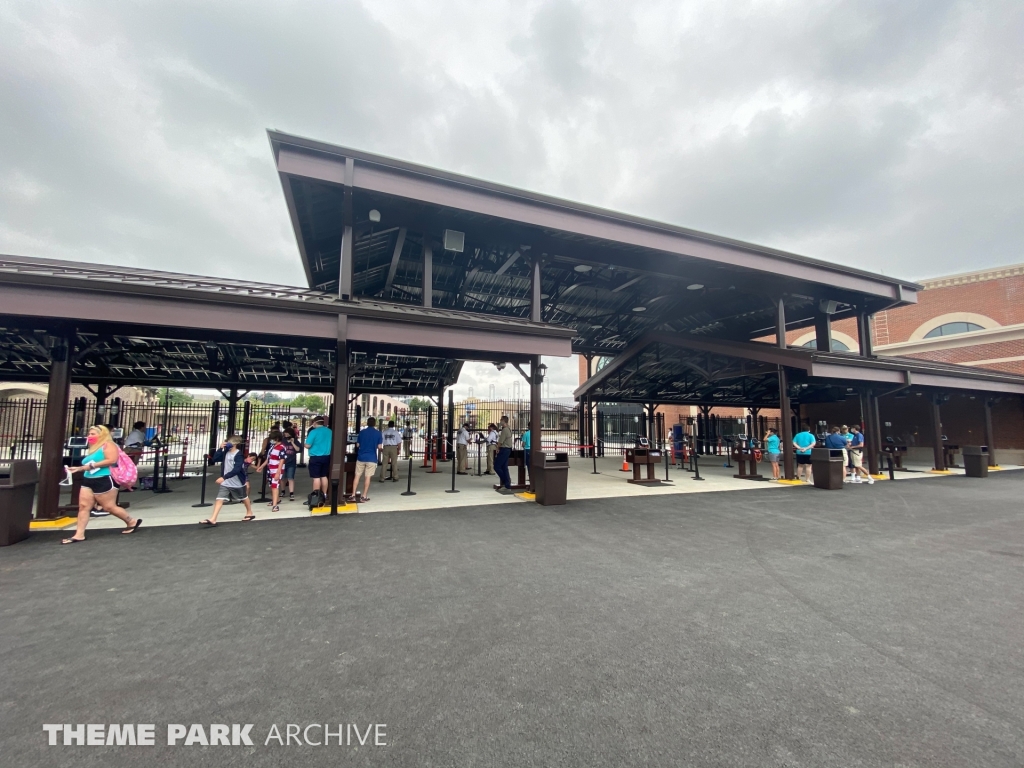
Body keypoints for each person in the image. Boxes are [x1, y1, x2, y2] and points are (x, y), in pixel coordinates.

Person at [60, 425, 142, 544]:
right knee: (84, 506)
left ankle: (131, 521)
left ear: (102, 434)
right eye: (89, 434)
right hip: (88, 479)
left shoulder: (109, 445)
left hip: (104, 479)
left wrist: (89, 466)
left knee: (109, 506)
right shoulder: (93, 448)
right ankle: (79, 534)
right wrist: (79, 469)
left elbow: (111, 460)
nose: (89, 436)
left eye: (93, 434)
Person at [200, 435, 255, 525]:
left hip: (236, 481)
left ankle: (249, 512)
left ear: (236, 444)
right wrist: (220, 449)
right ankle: (213, 518)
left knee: (244, 497)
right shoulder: (226, 452)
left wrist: (224, 477)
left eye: (230, 442)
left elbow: (236, 470)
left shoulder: (238, 455)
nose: (228, 443)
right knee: (219, 499)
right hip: (226, 482)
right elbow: (215, 459)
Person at [255, 429, 288, 512]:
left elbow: (282, 460)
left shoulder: (282, 448)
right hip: (271, 469)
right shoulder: (273, 447)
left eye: (272, 439)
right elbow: (268, 458)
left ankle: (275, 505)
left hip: (276, 469)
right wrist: (262, 466)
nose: (271, 440)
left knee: (274, 486)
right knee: (272, 486)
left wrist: (278, 472)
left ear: (277, 438)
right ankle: (275, 500)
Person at [304, 416, 332, 506]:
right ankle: (324, 495)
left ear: (315, 423)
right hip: (326, 456)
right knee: (324, 476)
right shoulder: (329, 431)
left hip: (315, 457)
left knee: (316, 477)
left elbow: (308, 445)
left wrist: (304, 444)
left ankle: (316, 497)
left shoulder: (313, 432)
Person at [353, 417, 383, 502]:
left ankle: (353, 494)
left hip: (361, 457)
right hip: (372, 458)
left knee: (357, 476)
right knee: (368, 477)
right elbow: (379, 447)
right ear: (374, 423)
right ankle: (364, 495)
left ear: (367, 423)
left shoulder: (362, 433)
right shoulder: (378, 433)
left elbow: (357, 445)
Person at [494, 416, 514, 493]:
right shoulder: (509, 429)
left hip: (504, 449)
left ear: (504, 421)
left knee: (497, 466)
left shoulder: (505, 430)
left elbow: (500, 441)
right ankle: (507, 485)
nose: (500, 422)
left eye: (501, 420)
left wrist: (497, 448)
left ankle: (506, 481)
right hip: (508, 449)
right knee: (504, 467)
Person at [281, 426, 300, 501]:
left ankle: (291, 493)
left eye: (288, 434)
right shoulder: (282, 441)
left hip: (291, 462)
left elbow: (298, 449)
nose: (286, 436)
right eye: (285, 434)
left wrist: (292, 442)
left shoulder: (295, 441)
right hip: (282, 462)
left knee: (290, 478)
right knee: (282, 478)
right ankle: (282, 491)